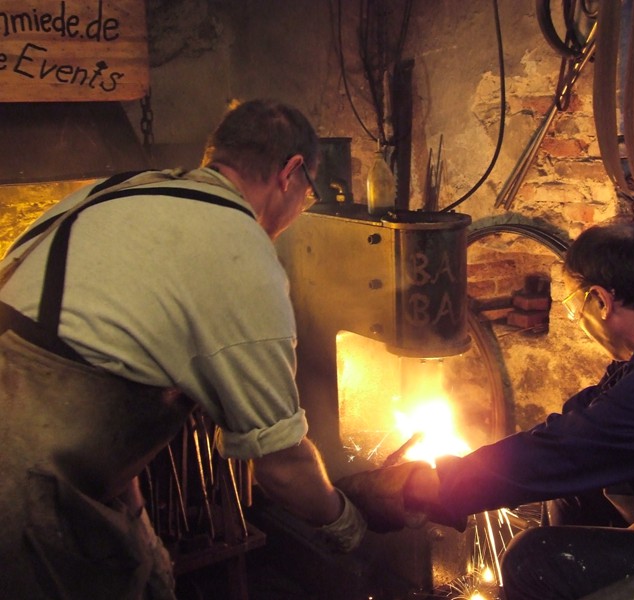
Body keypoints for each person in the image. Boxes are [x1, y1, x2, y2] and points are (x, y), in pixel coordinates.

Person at [0, 99, 365, 599]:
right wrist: (347, 523)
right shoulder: (239, 250)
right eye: (310, 192)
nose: (304, 206)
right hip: (21, 489)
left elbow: (98, 359)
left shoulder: (119, 190)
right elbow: (282, 468)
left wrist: (134, 518)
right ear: (291, 172)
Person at [337, 222, 634, 598]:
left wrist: (429, 488)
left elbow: (571, 450)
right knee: (573, 494)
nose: (576, 319)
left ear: (601, 300)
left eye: (574, 307)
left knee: (534, 561)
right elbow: (585, 420)